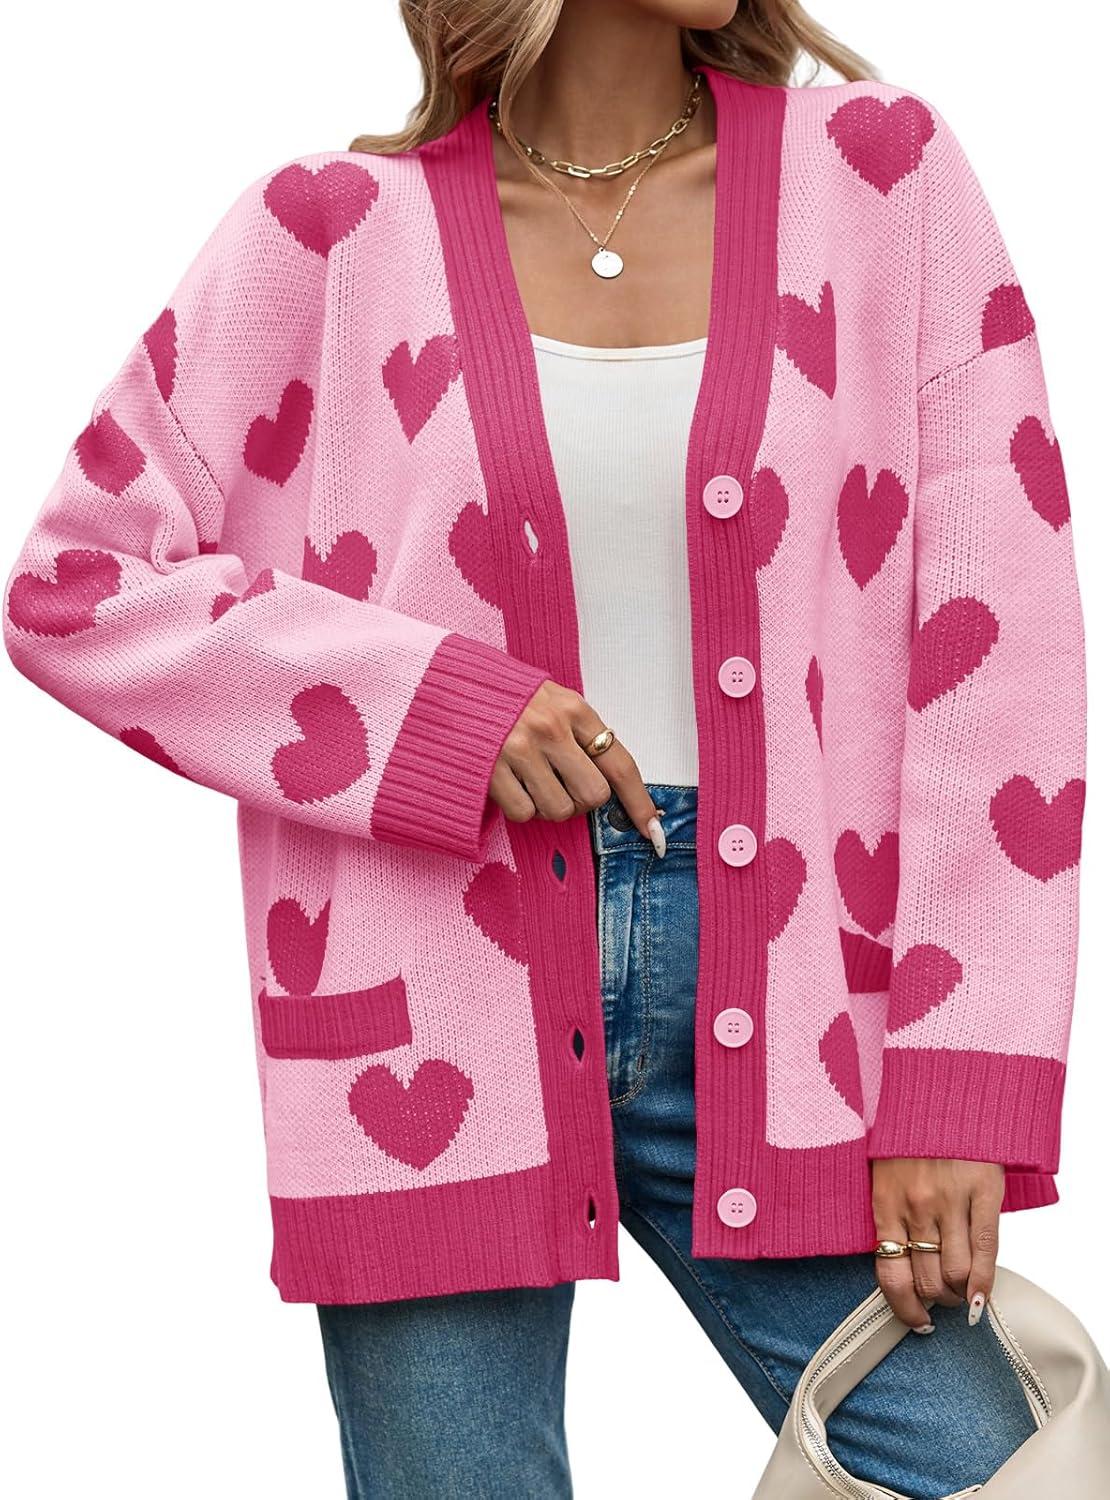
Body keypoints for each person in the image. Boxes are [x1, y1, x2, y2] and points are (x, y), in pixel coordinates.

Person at [3, 1, 1087, 1496]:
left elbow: (998, 646)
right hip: (425, 1012)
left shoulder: (883, 179)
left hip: (808, 1012)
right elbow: (75, 587)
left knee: (996, 1474)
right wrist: (434, 708)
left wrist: (956, 1080)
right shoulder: (324, 236)